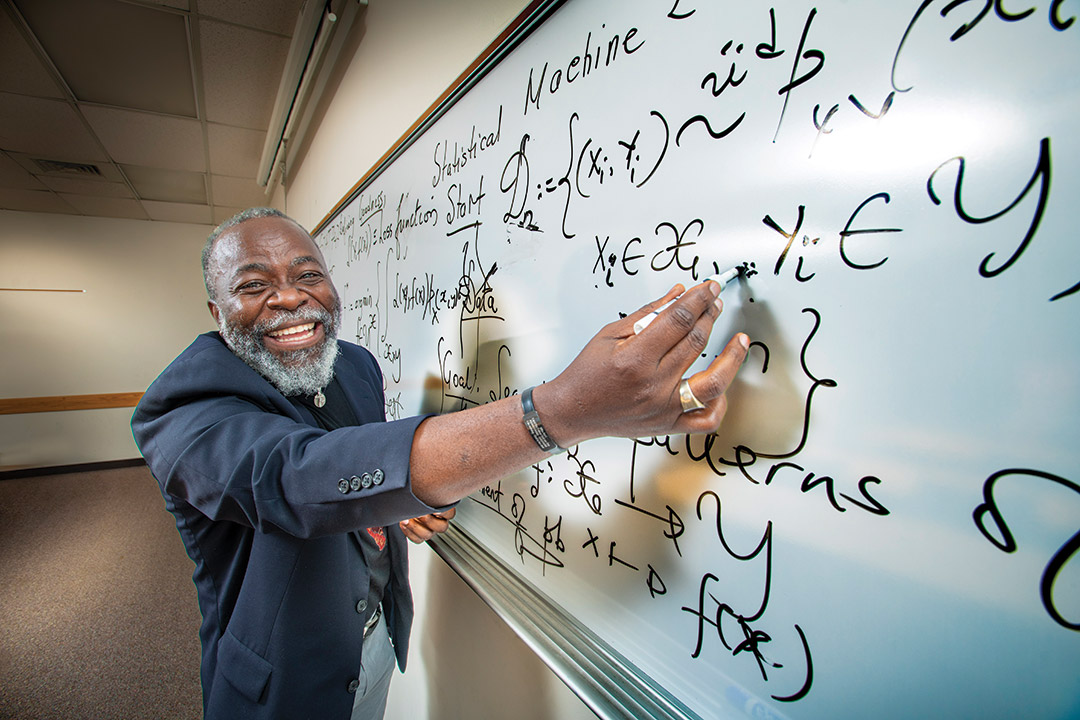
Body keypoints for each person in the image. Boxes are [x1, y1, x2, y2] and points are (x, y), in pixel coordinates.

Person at [131, 207, 749, 720]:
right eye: (252, 285)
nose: (290, 298)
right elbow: (298, 477)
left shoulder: (353, 365)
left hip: (375, 643)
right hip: (282, 686)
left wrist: (401, 507)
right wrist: (562, 411)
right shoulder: (181, 409)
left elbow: (363, 473)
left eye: (307, 274)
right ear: (216, 312)